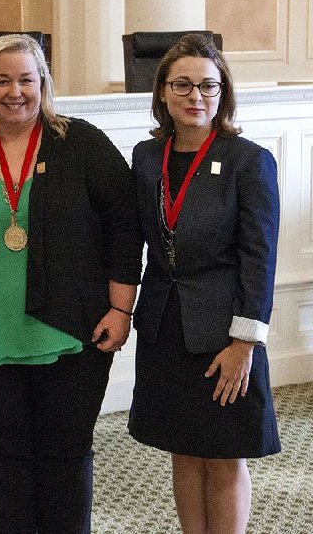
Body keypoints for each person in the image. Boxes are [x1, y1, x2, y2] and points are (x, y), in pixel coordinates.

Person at [0, 34, 142, 534]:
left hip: (73, 332)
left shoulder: (80, 142)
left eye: (26, 79)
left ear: (43, 82)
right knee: (3, 460)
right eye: (1, 80)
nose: (14, 92)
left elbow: (124, 222)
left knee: (65, 458)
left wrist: (122, 308)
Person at [128, 33, 281, 533]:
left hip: (224, 333)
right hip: (165, 326)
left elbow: (260, 257)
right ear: (164, 93)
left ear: (223, 93)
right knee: (184, 449)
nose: (197, 97)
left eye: (209, 87)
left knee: (224, 455)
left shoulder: (248, 160)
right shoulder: (147, 157)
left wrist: (244, 342)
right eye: (184, 85)